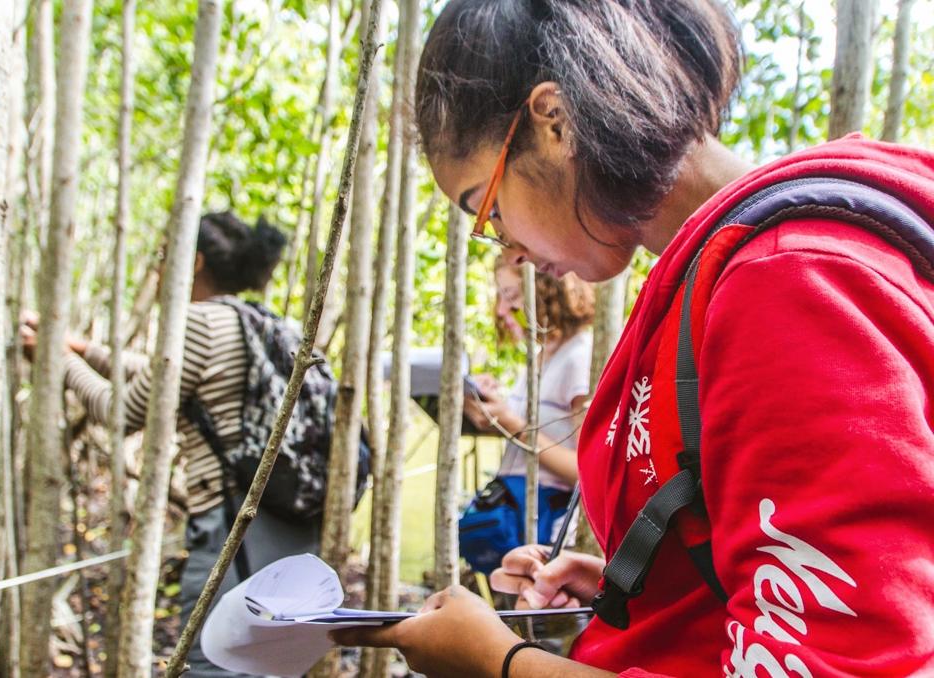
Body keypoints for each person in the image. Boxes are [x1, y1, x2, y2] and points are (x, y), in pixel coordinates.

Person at [332, 1, 934, 676]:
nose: (511, 251)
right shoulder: (715, 276)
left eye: (489, 208)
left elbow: (843, 661)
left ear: (555, 122)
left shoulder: (787, 285)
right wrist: (653, 587)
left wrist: (499, 662)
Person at [25, 212, 319, 677]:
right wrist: (86, 350)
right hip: (282, 523)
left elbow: (124, 412)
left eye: (164, 257)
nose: (158, 270)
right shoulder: (252, 320)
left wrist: (58, 360)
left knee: (210, 659)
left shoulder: (197, 322)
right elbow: (162, 376)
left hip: (231, 526)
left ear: (194, 261)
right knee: (261, 660)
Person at [459, 258, 594, 571]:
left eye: (511, 296)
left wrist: (513, 424)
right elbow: (539, 430)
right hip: (521, 523)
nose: (501, 311)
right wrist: (492, 412)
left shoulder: (580, 356)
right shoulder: (542, 355)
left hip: (554, 533)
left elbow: (587, 470)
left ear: (546, 289)